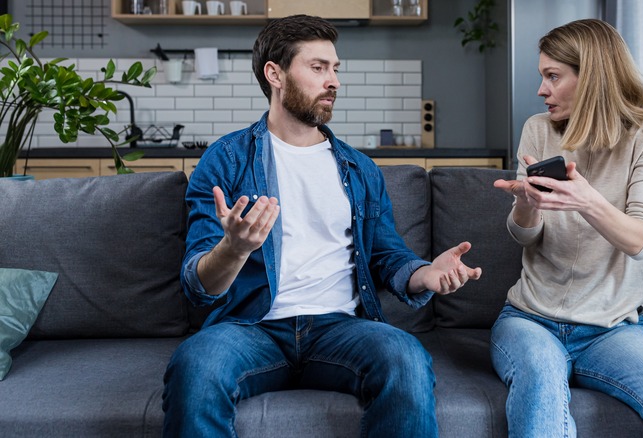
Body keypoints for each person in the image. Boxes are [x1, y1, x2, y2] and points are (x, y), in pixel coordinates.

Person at [162, 14, 482, 437]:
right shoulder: (226, 161)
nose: (333, 81)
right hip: (250, 329)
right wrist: (235, 248)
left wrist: (426, 273)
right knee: (195, 364)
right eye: (318, 68)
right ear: (274, 74)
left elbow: (387, 255)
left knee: (405, 357)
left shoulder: (359, 168)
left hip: (341, 328)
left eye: (335, 69)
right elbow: (198, 285)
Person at [491, 19, 643, 437]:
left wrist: (587, 200)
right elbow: (526, 235)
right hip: (530, 319)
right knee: (541, 389)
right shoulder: (538, 130)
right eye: (542, 76)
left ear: (592, 76)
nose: (541, 90)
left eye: (552, 76)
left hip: (615, 328)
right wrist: (526, 206)